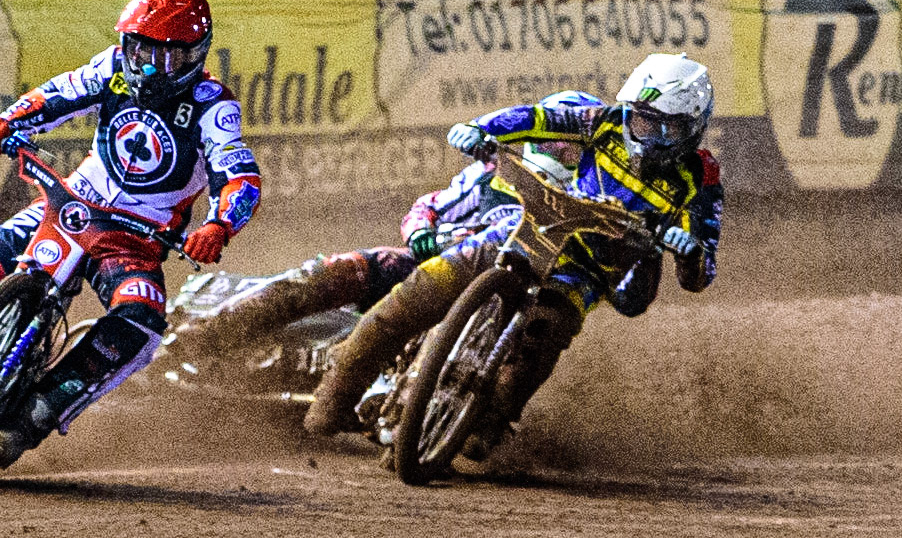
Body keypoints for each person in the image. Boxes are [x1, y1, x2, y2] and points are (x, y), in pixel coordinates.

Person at [0, 0, 263, 468]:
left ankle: (30, 420)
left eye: (166, 57)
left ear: (195, 55)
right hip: (69, 204)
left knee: (140, 325)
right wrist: (10, 121)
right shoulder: (112, 68)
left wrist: (219, 226)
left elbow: (239, 175)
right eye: (139, 50)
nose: (149, 66)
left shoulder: (215, 105)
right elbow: (60, 94)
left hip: (135, 238)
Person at [303, 53, 724, 439]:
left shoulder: (700, 178)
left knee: (539, 344)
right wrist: (480, 128)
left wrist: (688, 250)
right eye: (643, 121)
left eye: (665, 127)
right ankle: (336, 393)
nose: (648, 135)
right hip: (531, 231)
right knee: (423, 287)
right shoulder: (604, 121)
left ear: (691, 129)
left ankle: (488, 425)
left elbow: (701, 270)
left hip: (585, 272)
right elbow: (537, 117)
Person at [169, 91, 601, 358]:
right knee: (349, 267)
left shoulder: (589, 207)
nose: (562, 151)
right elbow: (427, 207)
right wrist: (421, 234)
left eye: (573, 148)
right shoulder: (492, 172)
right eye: (555, 141)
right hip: (429, 266)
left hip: (501, 302)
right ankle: (211, 332)